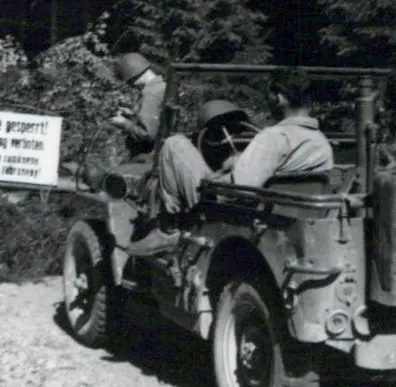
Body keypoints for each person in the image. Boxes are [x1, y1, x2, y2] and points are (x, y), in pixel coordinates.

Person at [127, 69, 333, 256]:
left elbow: (239, 190)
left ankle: (168, 229)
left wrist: (214, 178)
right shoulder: (321, 142)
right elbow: (282, 170)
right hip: (284, 215)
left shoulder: (274, 137)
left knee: (174, 144)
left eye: (269, 95)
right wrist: (239, 163)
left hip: (225, 211)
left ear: (279, 98)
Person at [109, 52, 167, 158]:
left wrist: (124, 123)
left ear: (131, 76)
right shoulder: (162, 84)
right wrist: (133, 114)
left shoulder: (150, 94)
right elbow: (157, 117)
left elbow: (147, 134)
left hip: (149, 154)